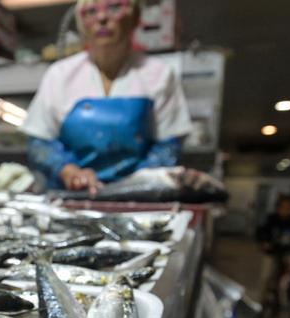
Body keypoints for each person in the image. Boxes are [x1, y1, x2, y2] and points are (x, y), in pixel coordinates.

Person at [21, 0, 192, 194]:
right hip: (72, 197)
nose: (102, 18)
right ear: (81, 24)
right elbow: (39, 141)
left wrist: (137, 182)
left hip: (140, 196)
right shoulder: (60, 75)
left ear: (135, 18)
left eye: (114, 7)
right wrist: (69, 171)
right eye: (91, 12)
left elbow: (169, 143)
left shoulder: (159, 74)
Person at [257, 195, 290, 318]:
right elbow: (261, 232)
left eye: (289, 208)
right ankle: (263, 302)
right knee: (267, 276)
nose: (286, 210)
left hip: (289, 253)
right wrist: (265, 242)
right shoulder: (271, 220)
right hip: (273, 254)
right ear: (278, 208)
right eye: (283, 207)